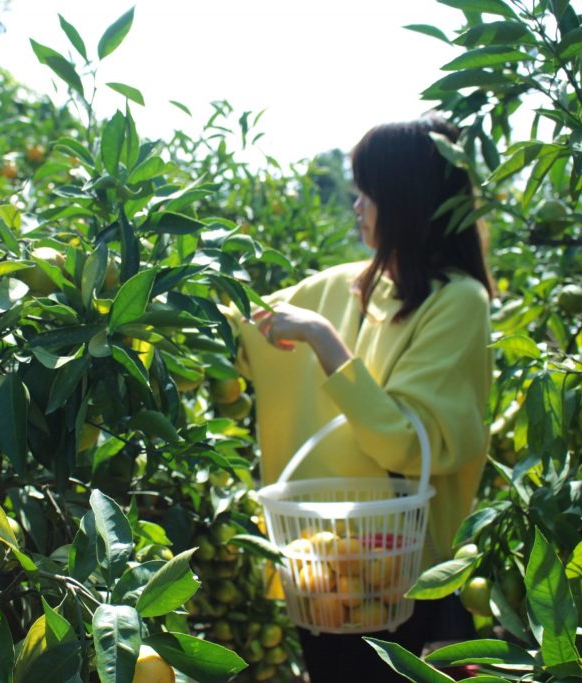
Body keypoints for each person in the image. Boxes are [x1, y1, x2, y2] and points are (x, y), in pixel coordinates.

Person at [225, 113, 493, 681]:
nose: (358, 206)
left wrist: (324, 341)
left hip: (398, 578)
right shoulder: (339, 284)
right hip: (319, 569)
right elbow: (236, 336)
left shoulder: (458, 302)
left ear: (404, 202)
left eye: (367, 193)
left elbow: (409, 444)